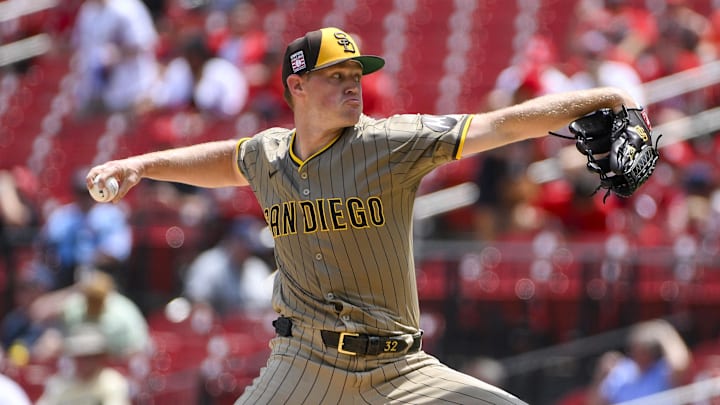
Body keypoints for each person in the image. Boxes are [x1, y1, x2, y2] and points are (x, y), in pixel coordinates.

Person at [86, 27, 642, 404]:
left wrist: (599, 97)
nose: (353, 81)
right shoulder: (268, 153)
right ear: (297, 87)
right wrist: (142, 164)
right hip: (301, 362)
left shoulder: (389, 142)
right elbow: (223, 160)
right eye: (336, 74)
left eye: (357, 71)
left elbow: (499, 125)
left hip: (401, 369)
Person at [183, 216, 274, 316]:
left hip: (249, 328)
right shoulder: (209, 264)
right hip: (217, 329)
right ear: (233, 241)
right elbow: (197, 303)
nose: (247, 251)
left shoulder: (257, 268)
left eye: (250, 247)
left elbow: (268, 307)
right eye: (245, 245)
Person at [587, 319, 691, 405]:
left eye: (643, 350)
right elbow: (595, 403)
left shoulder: (661, 371)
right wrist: (600, 376)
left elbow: (680, 364)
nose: (638, 354)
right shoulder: (622, 371)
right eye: (634, 349)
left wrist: (664, 332)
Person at [35, 323, 131, 405]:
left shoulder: (111, 382)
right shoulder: (59, 383)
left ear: (100, 357)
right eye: (79, 356)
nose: (83, 362)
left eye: (89, 357)